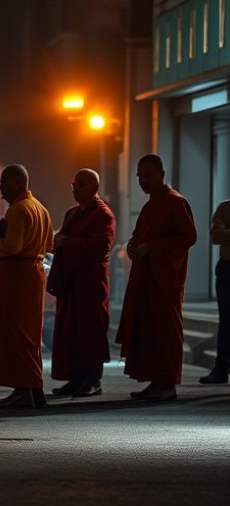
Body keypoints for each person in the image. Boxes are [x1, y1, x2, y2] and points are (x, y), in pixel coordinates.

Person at [116, 154, 196, 401]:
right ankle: (155, 381)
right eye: (139, 176)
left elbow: (187, 238)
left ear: (162, 174)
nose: (142, 181)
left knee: (164, 331)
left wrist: (152, 248)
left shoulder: (176, 202)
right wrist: (133, 245)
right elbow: (140, 234)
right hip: (147, 277)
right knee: (148, 331)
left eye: (147, 175)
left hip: (165, 280)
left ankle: (167, 384)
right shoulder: (151, 205)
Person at [0, 164, 54, 409]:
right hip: (32, 274)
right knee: (28, 334)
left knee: (18, 334)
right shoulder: (40, 208)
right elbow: (50, 244)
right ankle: (30, 388)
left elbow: (12, 247)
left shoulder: (20, 210)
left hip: (19, 276)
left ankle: (26, 390)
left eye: (3, 182)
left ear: (17, 184)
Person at [48, 168, 115, 397]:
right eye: (74, 185)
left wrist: (68, 242)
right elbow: (61, 242)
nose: (76, 189)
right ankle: (75, 379)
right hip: (71, 281)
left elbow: (98, 248)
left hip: (90, 284)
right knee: (70, 332)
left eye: (82, 185)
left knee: (90, 331)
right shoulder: (72, 213)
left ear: (95, 188)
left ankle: (92, 380)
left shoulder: (103, 215)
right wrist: (58, 242)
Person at [201, 199, 230, 384]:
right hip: (228, 268)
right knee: (226, 320)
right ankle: (221, 369)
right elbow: (216, 236)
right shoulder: (225, 207)